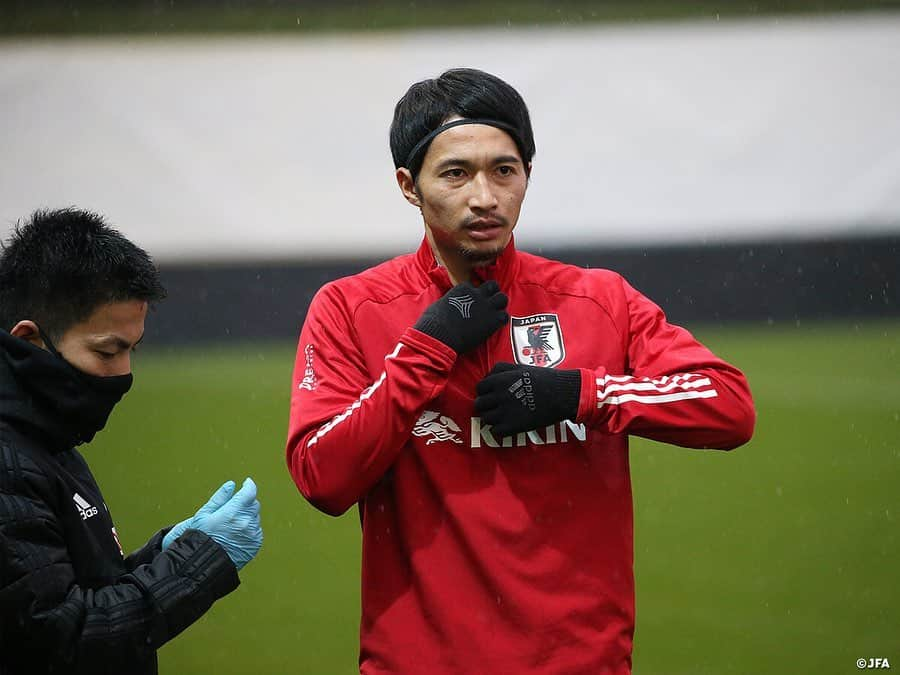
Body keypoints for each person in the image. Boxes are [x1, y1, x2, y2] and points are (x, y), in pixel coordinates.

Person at [285, 68, 755, 674]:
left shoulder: (597, 299)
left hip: (580, 664)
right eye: (456, 173)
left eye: (504, 170)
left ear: (527, 174)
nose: (485, 196)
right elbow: (322, 477)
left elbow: (729, 406)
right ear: (409, 184)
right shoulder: (350, 307)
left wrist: (582, 392)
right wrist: (427, 349)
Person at [0, 208, 264, 675]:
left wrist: (165, 552)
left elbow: (76, 589)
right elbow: (66, 638)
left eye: (132, 350)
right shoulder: (9, 461)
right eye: (107, 350)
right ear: (31, 340)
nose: (124, 374)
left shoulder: (44, 439)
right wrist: (198, 561)